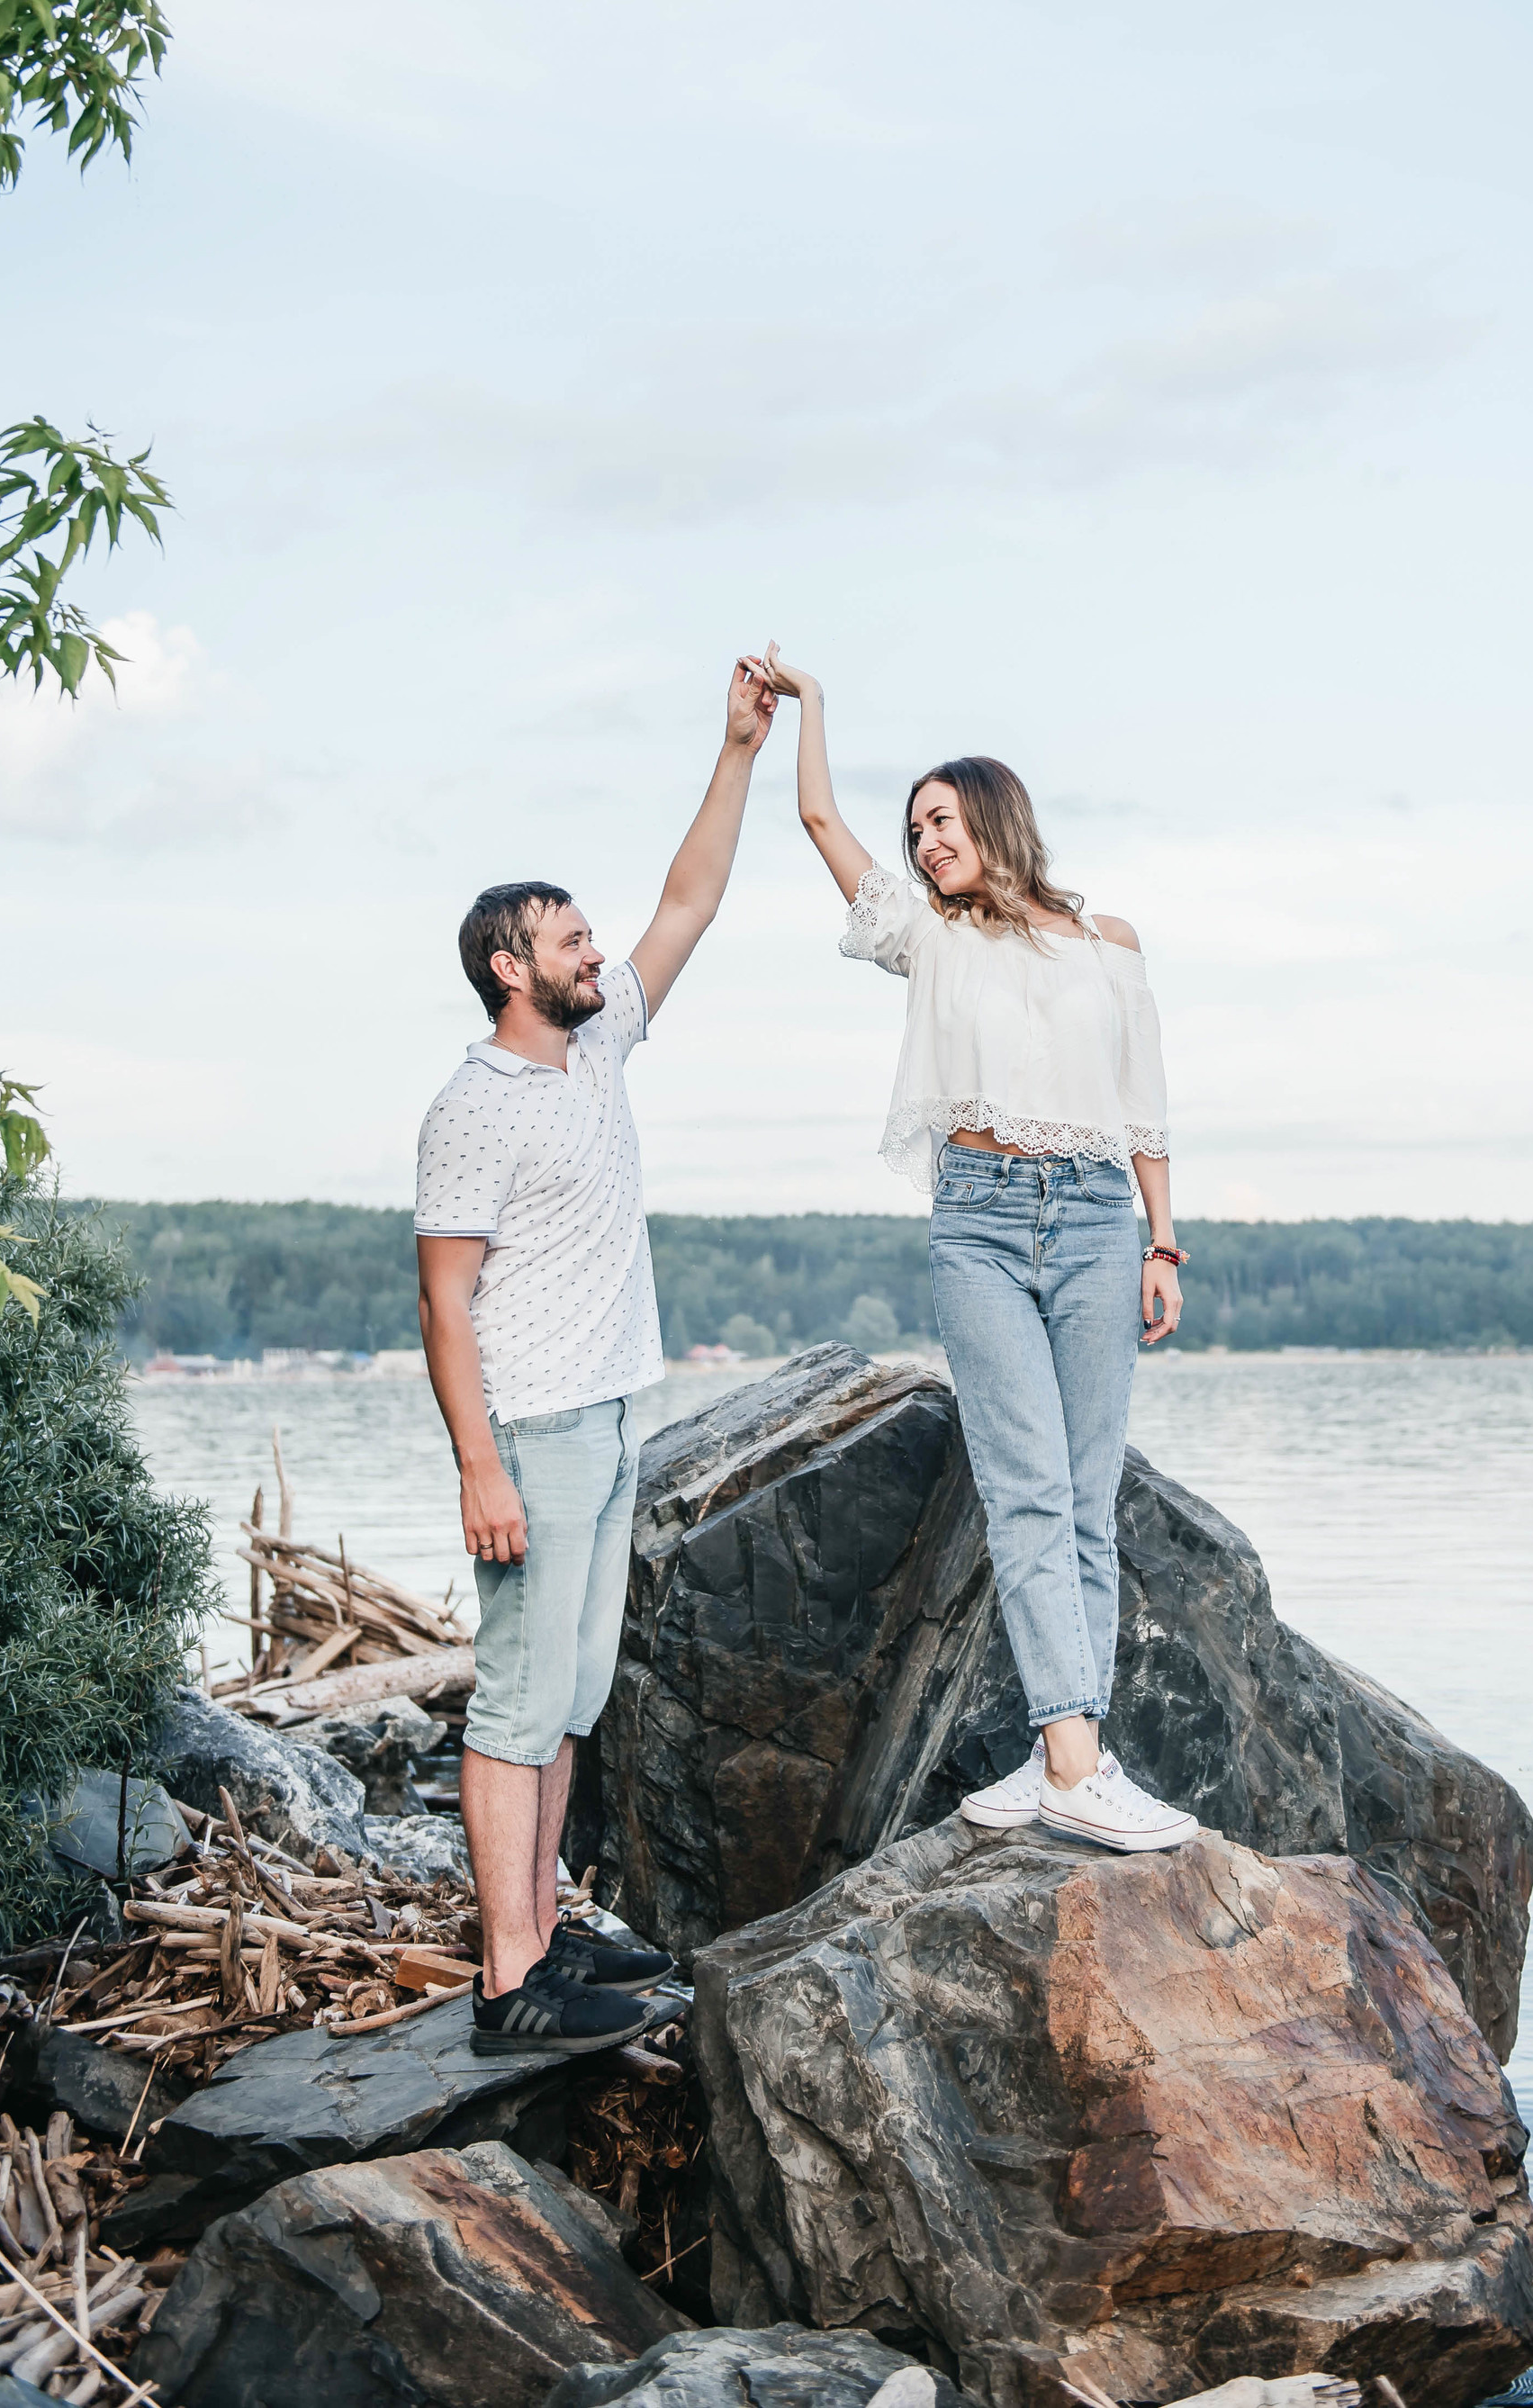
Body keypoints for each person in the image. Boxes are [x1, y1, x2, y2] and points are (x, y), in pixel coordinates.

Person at [757, 644, 1199, 1853]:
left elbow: (1144, 1103)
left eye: (940, 822)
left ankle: (1067, 1754)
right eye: (914, 832)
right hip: (981, 1224)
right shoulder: (930, 936)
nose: (922, 845)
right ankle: (1075, 1763)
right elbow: (817, 818)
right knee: (1026, 1489)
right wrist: (812, 705)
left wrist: (1164, 1245)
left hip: (1100, 1219)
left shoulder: (1109, 942)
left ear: (996, 819)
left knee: (1088, 1502)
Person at [415, 656, 779, 2050]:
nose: (595, 953)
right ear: (509, 967)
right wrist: (480, 1468)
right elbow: (444, 1305)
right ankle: (509, 1983)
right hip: (534, 1432)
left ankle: (544, 1931)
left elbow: (691, 899)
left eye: (587, 939)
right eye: (569, 941)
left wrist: (737, 750)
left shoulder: (604, 1044)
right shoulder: (473, 1105)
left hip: (614, 1412)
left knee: (568, 1696)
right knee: (517, 1700)